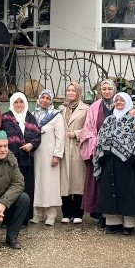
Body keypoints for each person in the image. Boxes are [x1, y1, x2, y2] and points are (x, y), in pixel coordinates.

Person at [94, 92, 135, 234]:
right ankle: (113, 223)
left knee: (127, 192)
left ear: (128, 102)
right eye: (117, 100)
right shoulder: (109, 119)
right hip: (109, 160)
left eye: (122, 100)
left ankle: (129, 225)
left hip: (128, 162)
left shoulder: (134, 118)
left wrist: (133, 156)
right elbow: (101, 137)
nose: (119, 102)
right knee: (110, 191)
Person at [80, 78, 117, 226]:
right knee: (99, 183)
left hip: (116, 152)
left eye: (110, 89)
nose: (107, 91)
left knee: (113, 183)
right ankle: (101, 214)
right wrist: (96, 143)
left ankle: (114, 215)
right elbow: (88, 128)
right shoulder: (94, 107)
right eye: (104, 89)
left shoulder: (120, 104)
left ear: (114, 90)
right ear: (100, 91)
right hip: (99, 152)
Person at [1, 92, 41, 225]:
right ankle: (7, 218)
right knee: (9, 188)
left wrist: (31, 145)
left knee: (27, 188)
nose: (19, 105)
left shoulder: (31, 118)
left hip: (27, 159)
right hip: (10, 160)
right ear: (12, 103)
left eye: (21, 102)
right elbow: (4, 135)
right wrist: (18, 146)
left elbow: (37, 136)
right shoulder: (6, 117)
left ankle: (24, 219)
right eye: (16, 102)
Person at [31, 89, 65, 225]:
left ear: (51, 101)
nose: (44, 100)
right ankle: (38, 213)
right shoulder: (33, 115)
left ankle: (51, 214)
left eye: (47, 98)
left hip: (51, 156)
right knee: (37, 183)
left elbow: (60, 137)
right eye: (42, 97)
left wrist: (57, 155)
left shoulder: (56, 116)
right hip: (36, 154)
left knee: (50, 184)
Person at [60, 82, 88, 224]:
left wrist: (76, 133)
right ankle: (66, 212)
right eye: (68, 90)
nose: (71, 93)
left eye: (73, 91)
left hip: (77, 148)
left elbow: (90, 128)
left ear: (78, 93)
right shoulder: (61, 108)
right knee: (65, 182)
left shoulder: (85, 109)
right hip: (64, 148)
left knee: (78, 182)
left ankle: (78, 213)